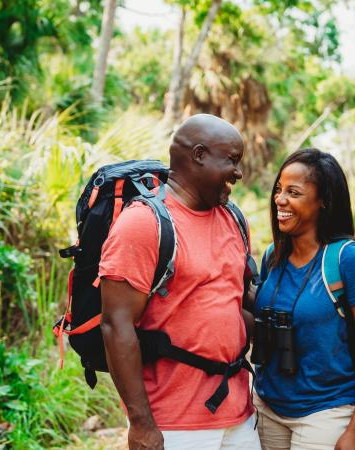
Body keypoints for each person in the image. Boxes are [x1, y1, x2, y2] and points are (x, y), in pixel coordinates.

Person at [98, 114, 260, 450]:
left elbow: (237, 303)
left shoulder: (233, 218)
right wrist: (141, 423)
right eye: (231, 160)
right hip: (174, 423)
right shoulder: (143, 223)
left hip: (239, 415)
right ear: (199, 155)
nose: (239, 173)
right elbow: (116, 324)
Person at [253, 148, 355, 450]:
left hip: (325, 412)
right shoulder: (272, 257)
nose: (280, 200)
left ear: (323, 201)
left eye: (294, 192)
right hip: (266, 407)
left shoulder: (347, 260)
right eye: (278, 189)